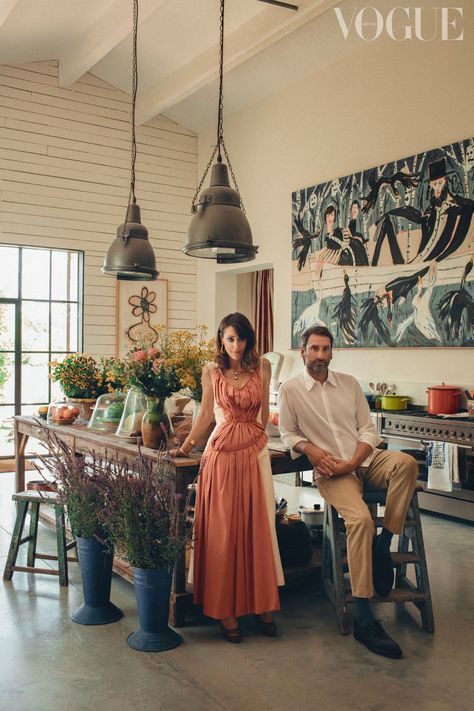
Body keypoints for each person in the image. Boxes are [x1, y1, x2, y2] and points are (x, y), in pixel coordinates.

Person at [278, 326, 418, 659]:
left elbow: (367, 430)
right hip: (330, 471)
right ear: (303, 352)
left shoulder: (350, 384)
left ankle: (382, 548)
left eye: (326, 349)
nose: (321, 356)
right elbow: (287, 433)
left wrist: (353, 461)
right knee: (360, 522)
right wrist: (312, 451)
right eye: (314, 349)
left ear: (332, 352)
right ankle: (364, 617)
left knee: (407, 464)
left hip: (365, 461)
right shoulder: (291, 390)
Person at [172, 313, 284, 643]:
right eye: (230, 339)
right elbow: (206, 414)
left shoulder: (263, 366)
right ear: (221, 339)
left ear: (249, 339)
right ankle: (226, 610)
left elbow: (264, 410)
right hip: (220, 453)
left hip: (255, 451)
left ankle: (263, 605)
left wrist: (259, 434)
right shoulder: (211, 370)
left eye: (241, 339)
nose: (235, 345)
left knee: (259, 526)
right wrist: (188, 446)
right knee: (224, 529)